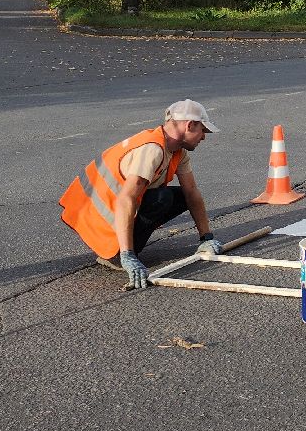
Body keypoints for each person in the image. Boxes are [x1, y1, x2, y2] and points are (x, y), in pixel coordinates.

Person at [60, 100, 223, 290]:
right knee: (162, 199)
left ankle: (125, 248)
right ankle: (118, 254)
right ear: (190, 125)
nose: (203, 137)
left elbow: (191, 191)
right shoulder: (152, 150)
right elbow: (126, 199)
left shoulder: (177, 151)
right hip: (95, 219)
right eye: (203, 130)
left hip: (108, 211)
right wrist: (127, 255)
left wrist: (206, 238)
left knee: (181, 196)